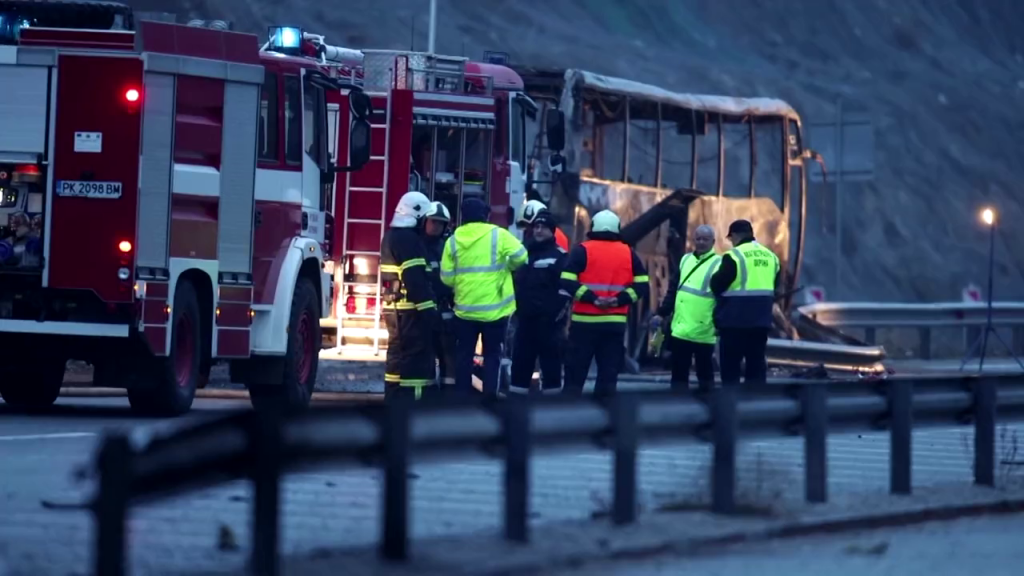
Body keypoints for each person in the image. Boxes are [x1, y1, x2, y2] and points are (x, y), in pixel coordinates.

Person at [441, 197, 528, 398]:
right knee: (492, 355)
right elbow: (522, 256)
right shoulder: (499, 235)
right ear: (486, 215)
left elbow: (445, 277)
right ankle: (490, 397)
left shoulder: (453, 240)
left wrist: (461, 285)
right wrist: (508, 267)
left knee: (463, 356)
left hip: (464, 311)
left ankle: (462, 398)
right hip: (495, 312)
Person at [559, 210, 649, 398]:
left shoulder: (582, 250)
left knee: (575, 373)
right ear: (617, 229)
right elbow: (642, 285)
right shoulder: (628, 253)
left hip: (583, 324)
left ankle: (568, 413)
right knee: (608, 373)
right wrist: (619, 299)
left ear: (593, 228)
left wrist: (592, 298)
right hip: (613, 325)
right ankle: (604, 416)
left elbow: (567, 280)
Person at [379, 191, 438, 401]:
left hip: (396, 311)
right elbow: (415, 280)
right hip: (410, 314)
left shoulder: (392, 236)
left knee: (397, 357)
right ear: (417, 216)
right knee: (416, 361)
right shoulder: (408, 240)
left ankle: (394, 400)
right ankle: (415, 404)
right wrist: (430, 313)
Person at [709, 219, 780, 386]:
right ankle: (755, 405)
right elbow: (775, 286)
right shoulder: (771, 257)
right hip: (760, 322)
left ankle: (732, 406)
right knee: (756, 365)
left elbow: (717, 285)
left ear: (734, 236)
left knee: (730, 368)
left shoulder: (734, 256)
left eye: (731, 238)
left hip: (734, 322)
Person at [509, 209, 571, 395]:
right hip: (525, 322)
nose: (538, 231)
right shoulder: (524, 253)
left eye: (543, 227)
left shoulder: (560, 257)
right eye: (536, 227)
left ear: (552, 231)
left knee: (551, 370)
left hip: (549, 326)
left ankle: (552, 414)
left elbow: (565, 290)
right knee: (519, 369)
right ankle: (516, 409)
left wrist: (553, 317)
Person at [652, 225, 721, 392]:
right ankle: (678, 405)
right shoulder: (685, 260)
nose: (701, 242)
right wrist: (662, 313)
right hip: (681, 328)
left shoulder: (719, 264)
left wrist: (719, 323)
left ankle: (708, 406)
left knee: (704, 372)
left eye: (705, 239)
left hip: (703, 329)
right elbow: (673, 289)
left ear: (713, 242)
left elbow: (722, 297)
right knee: (678, 372)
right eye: (698, 239)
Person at [422, 201, 457, 391]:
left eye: (440, 223)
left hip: (445, 308)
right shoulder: (416, 245)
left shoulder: (448, 248)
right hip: (423, 309)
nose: (435, 226)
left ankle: (448, 393)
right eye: (432, 221)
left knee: (448, 353)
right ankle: (427, 393)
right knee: (425, 353)